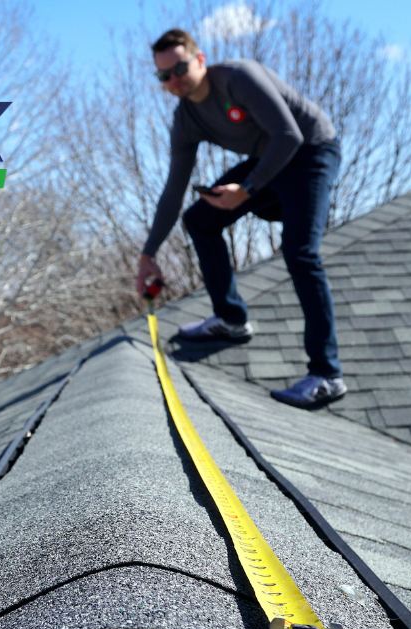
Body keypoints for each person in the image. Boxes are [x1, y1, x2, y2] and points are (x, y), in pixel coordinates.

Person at [135, 29, 345, 409]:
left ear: (200, 60)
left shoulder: (237, 78)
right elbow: (173, 190)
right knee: (199, 219)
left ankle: (326, 375)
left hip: (311, 151)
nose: (174, 80)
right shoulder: (185, 119)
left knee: (300, 253)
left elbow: (288, 135)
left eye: (180, 68)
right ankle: (230, 319)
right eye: (164, 76)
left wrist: (246, 190)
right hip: (267, 162)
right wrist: (148, 254)